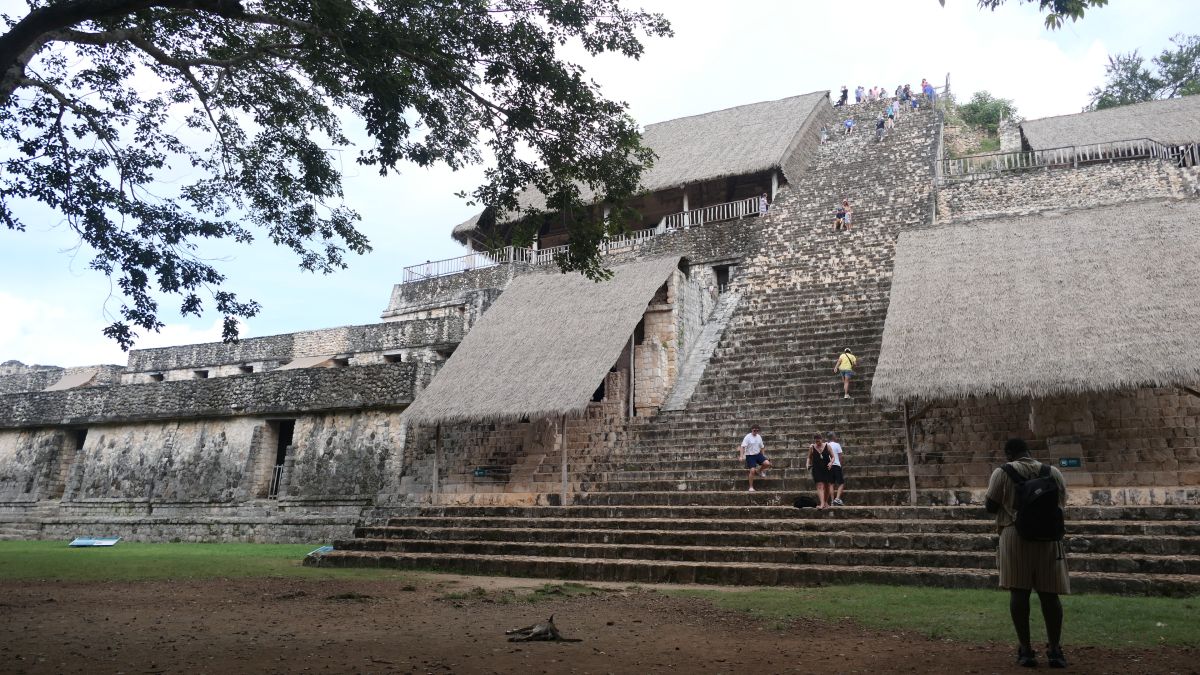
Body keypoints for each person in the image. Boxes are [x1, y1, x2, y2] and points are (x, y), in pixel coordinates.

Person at [986, 438, 1069, 669]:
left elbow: (990, 506)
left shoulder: (1002, 473)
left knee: (1019, 593)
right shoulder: (1052, 472)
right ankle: (1055, 650)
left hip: (1015, 535)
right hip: (1047, 537)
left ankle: (1025, 649)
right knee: (1050, 595)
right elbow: (1061, 502)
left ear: (1008, 454)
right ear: (1028, 451)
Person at [739, 425, 772, 492]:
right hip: (750, 455)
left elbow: (762, 447)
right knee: (752, 470)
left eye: (757, 430)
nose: (756, 432)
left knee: (767, 463)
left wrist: (763, 456)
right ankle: (751, 487)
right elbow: (742, 447)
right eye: (754, 430)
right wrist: (741, 456)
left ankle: (759, 471)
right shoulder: (748, 437)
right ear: (752, 430)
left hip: (758, 454)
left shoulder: (759, 437)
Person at [805, 433, 834, 509]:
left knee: (827, 486)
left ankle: (825, 502)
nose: (818, 443)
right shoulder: (812, 447)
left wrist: (831, 463)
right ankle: (822, 504)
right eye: (816, 441)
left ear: (822, 439)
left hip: (827, 468)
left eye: (819, 441)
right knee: (819, 485)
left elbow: (833, 457)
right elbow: (808, 457)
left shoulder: (827, 446)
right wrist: (807, 464)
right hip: (817, 468)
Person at [827, 432, 845, 505]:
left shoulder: (826, 445)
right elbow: (840, 456)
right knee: (841, 483)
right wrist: (840, 464)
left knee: (831, 484)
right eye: (835, 436)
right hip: (836, 465)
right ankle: (837, 499)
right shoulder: (837, 445)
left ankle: (832, 501)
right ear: (833, 437)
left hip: (829, 466)